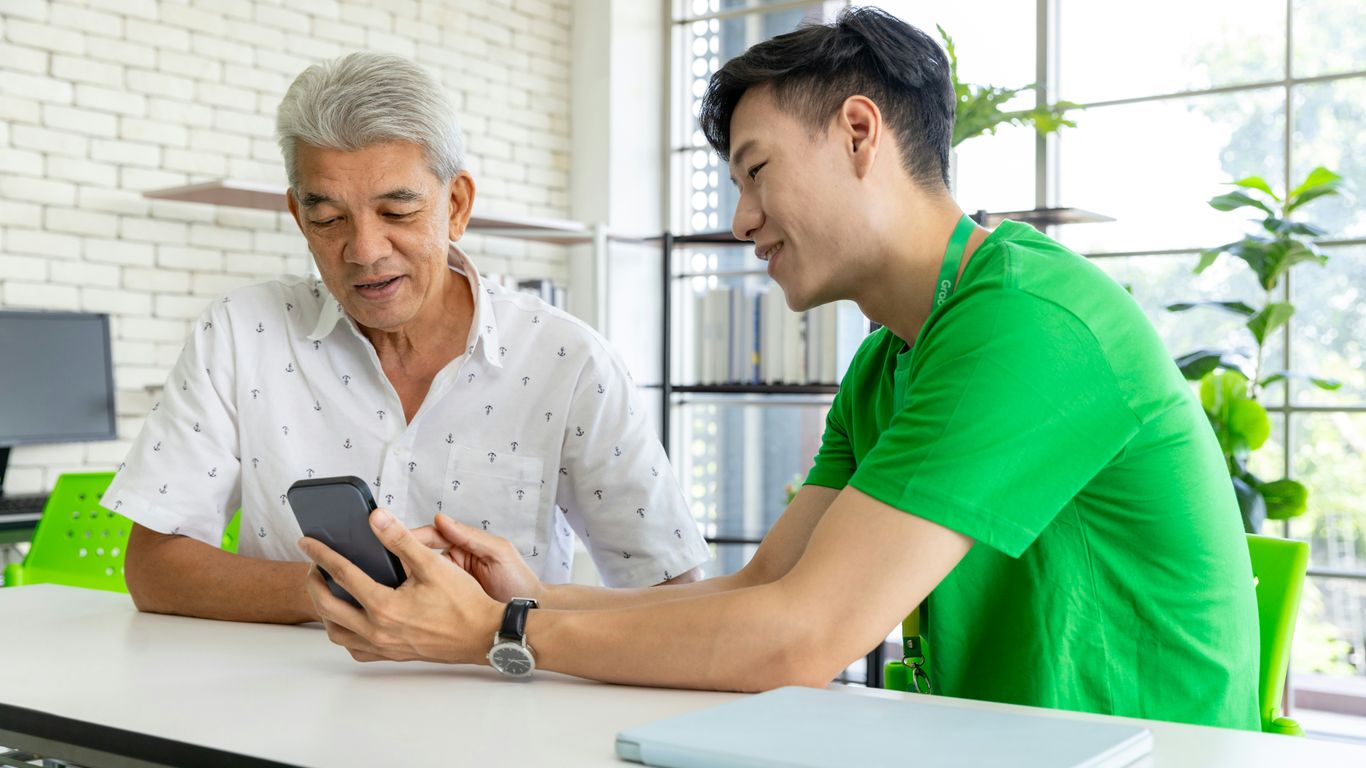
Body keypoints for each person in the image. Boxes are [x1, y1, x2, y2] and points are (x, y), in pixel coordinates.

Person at [297, 10, 1260, 731]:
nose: (740, 218)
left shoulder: (1032, 328)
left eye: (756, 171)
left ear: (857, 133)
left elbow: (802, 640)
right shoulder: (894, 357)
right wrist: (521, 598)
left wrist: (496, 636)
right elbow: (762, 589)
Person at [106, 52, 708, 624]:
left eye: (397, 212)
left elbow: (669, 594)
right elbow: (157, 567)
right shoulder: (240, 333)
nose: (364, 251)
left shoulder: (568, 362)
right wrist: (338, 590)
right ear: (298, 217)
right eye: (327, 218)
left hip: (501, 710)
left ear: (457, 205)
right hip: (281, 710)